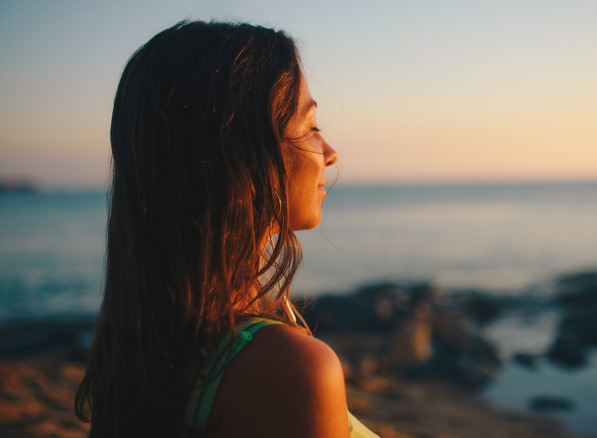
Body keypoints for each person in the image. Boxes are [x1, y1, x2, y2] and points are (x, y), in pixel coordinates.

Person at [75, 20, 379, 438]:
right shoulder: (294, 370)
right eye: (311, 127)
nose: (329, 152)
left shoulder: (136, 343)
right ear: (242, 153)